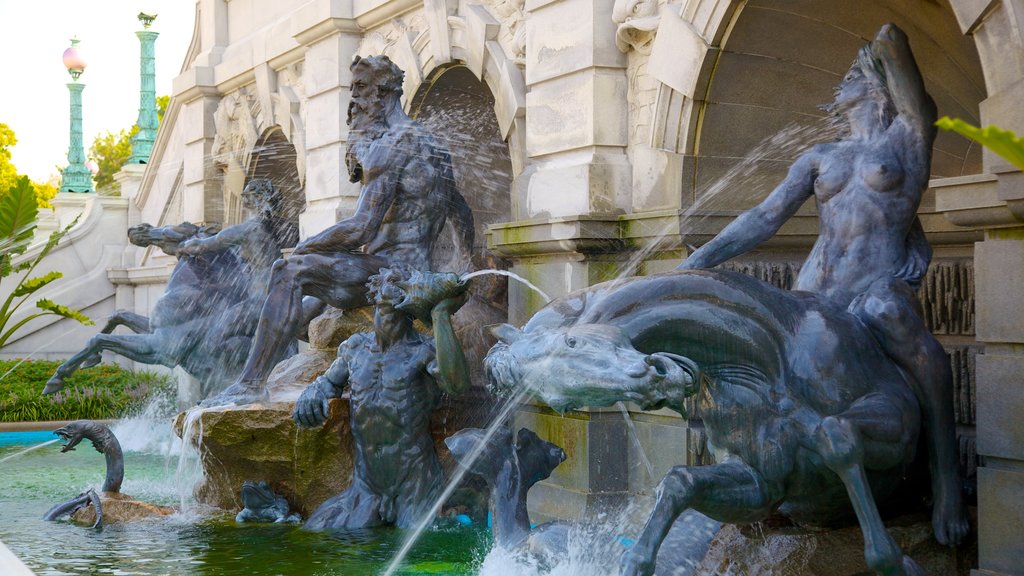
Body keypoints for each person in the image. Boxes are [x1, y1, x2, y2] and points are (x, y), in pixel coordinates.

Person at [677, 24, 969, 546]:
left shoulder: (907, 140)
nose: (837, 87)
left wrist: (881, 50)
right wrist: (698, 262)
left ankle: (946, 477)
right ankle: (771, 476)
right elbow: (763, 216)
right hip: (815, 289)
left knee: (891, 315)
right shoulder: (819, 155)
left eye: (849, 76)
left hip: (876, 285)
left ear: (874, 85)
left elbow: (896, 48)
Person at [206, 55, 475, 406]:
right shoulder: (430, 143)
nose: (354, 101)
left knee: (288, 270)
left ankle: (250, 383)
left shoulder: (389, 145)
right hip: (409, 268)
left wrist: (306, 247)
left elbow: (361, 229)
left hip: (390, 274)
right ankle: (296, 331)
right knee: (307, 304)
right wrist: (466, 266)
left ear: (383, 92)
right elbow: (462, 212)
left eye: (360, 89)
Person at [292, 267, 471, 529]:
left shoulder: (423, 352)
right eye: (390, 280)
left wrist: (441, 314)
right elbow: (327, 384)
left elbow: (457, 385)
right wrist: (311, 394)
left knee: (420, 552)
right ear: (375, 298)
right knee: (323, 533)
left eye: (402, 282)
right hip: (367, 485)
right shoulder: (355, 348)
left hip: (415, 481)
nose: (397, 284)